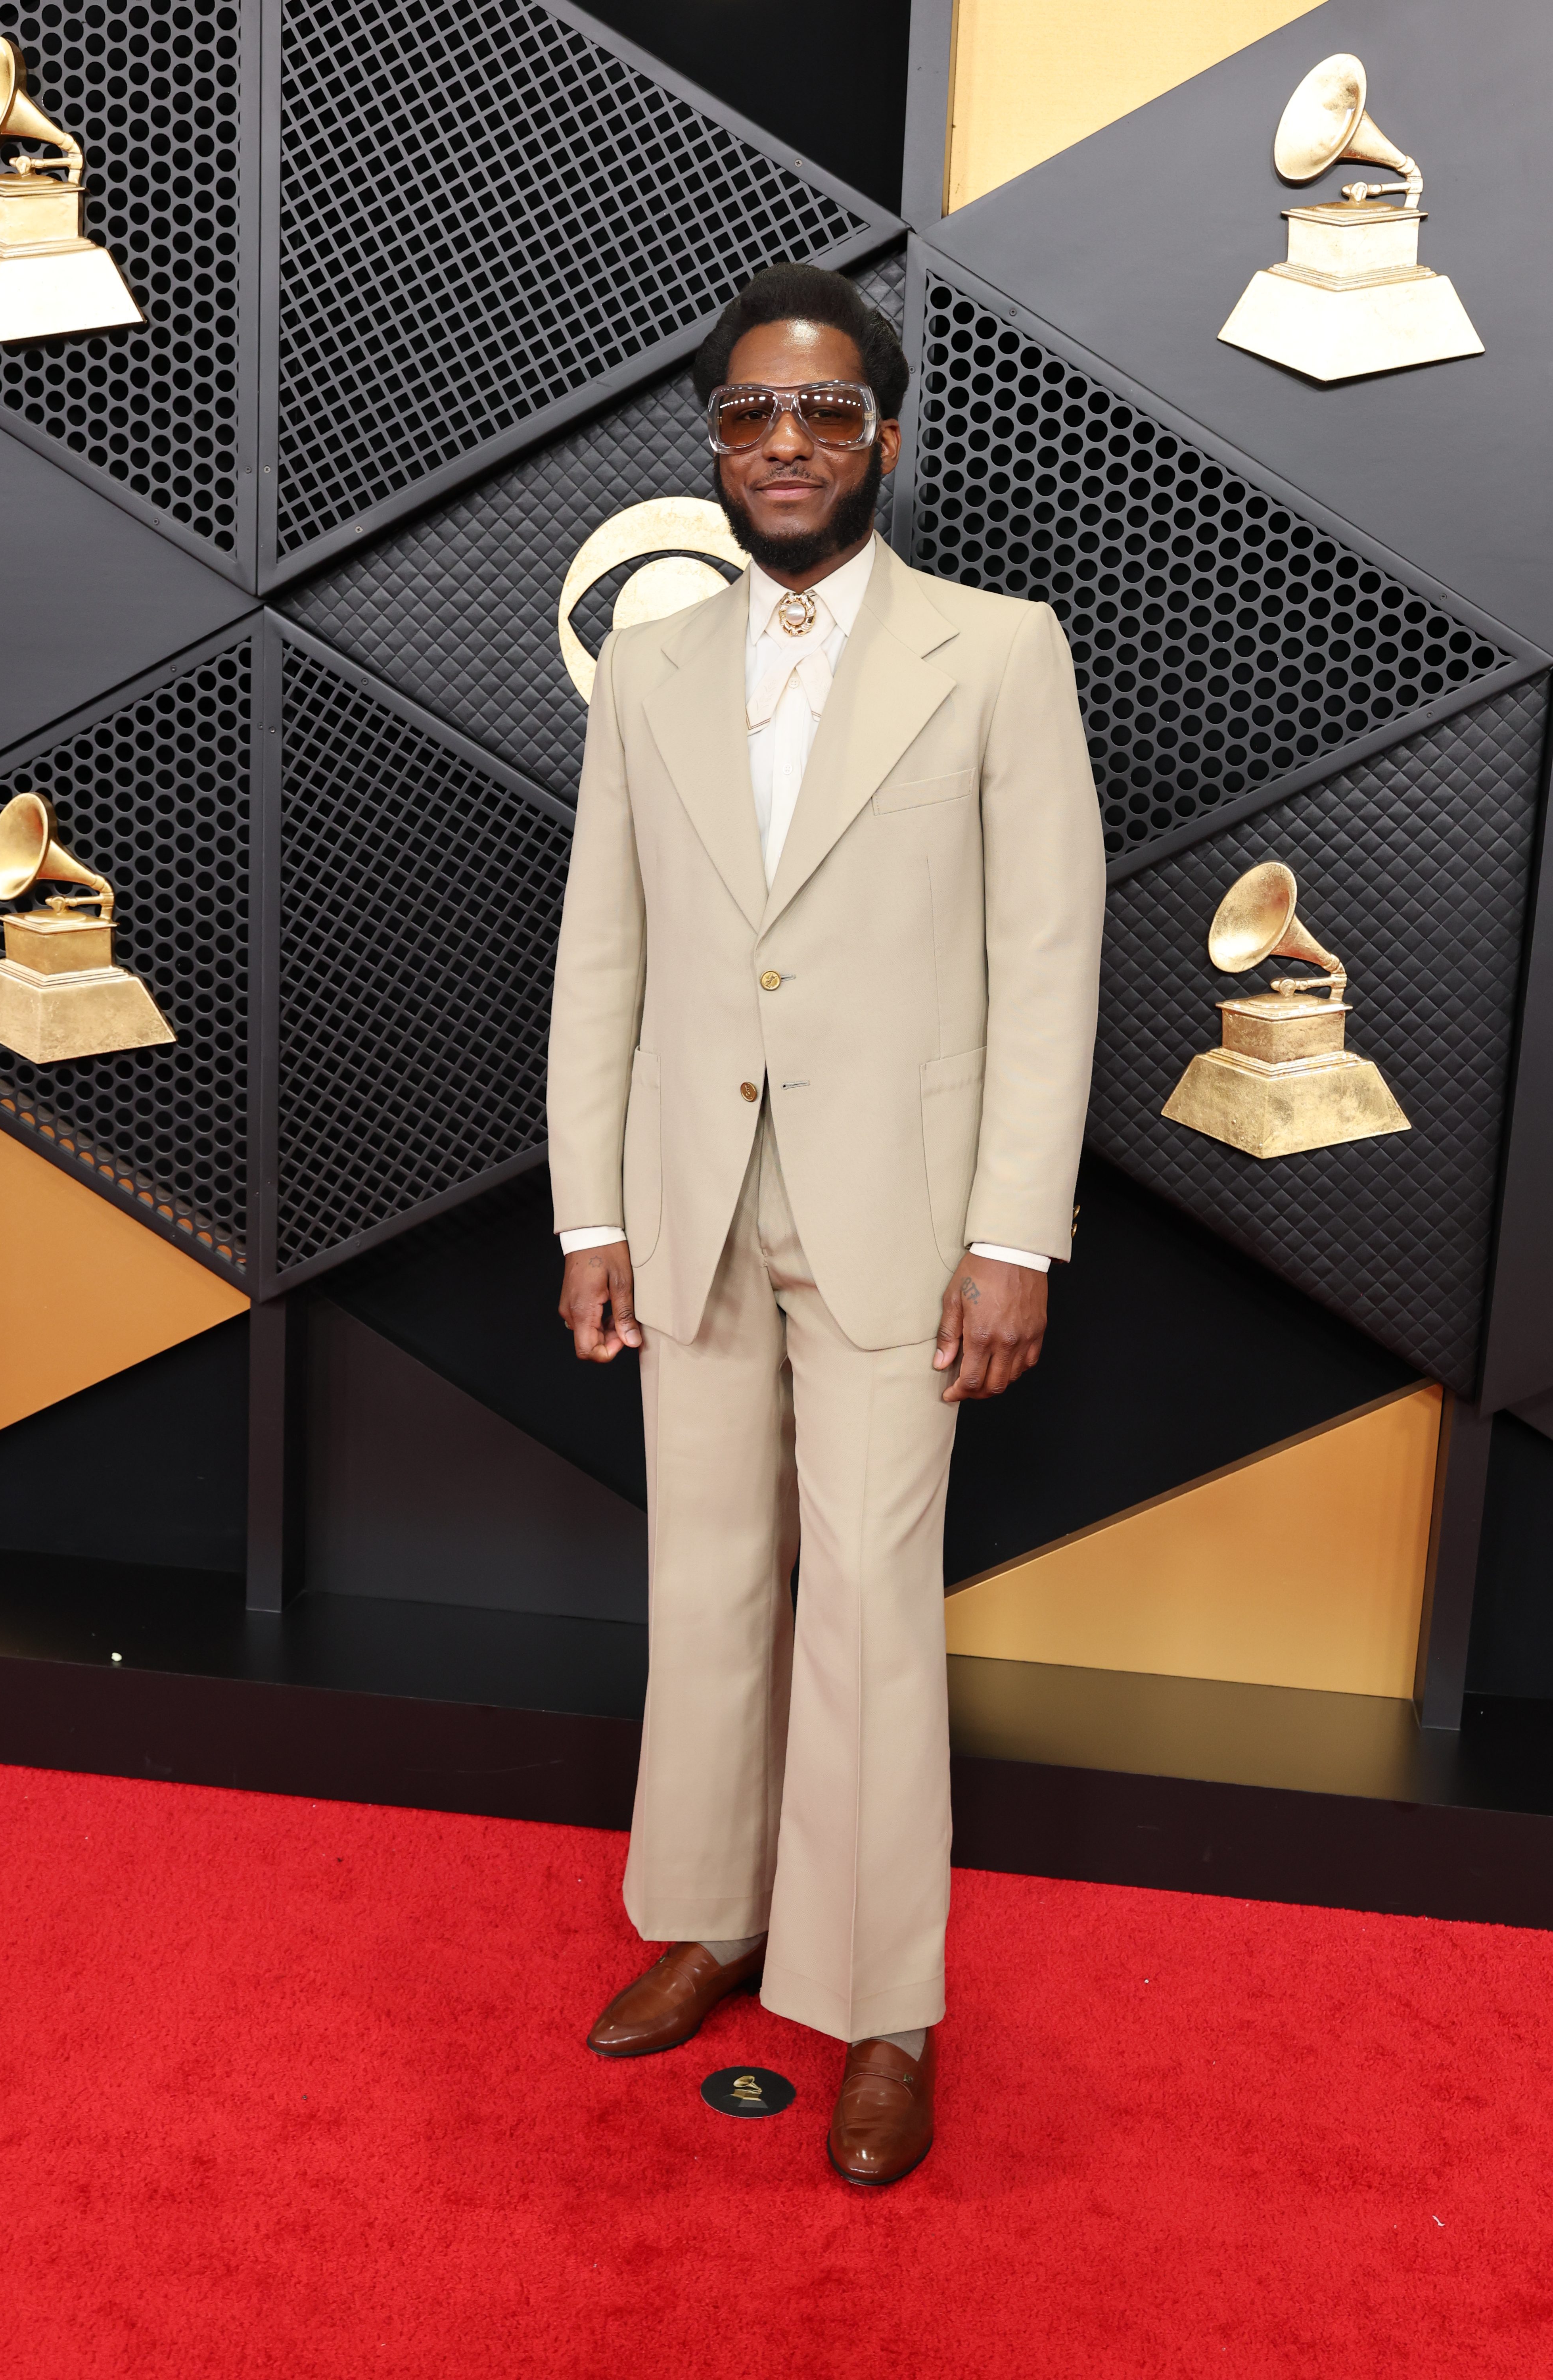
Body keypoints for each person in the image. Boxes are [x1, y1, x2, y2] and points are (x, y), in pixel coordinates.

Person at [547, 261, 1104, 2186]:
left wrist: (1013, 1237)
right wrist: (591, 1205)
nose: (785, 444)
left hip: (902, 1216)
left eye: (824, 412)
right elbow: (599, 957)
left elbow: (1048, 962)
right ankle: (712, 1918)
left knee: (866, 1610)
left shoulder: (998, 650)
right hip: (684, 1202)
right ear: (713, 441)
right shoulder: (649, 667)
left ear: (880, 434)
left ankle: (883, 2008)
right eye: (750, 415)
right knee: (704, 1581)